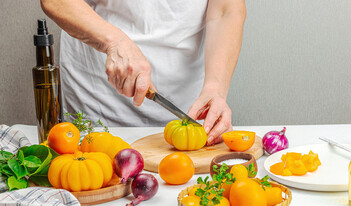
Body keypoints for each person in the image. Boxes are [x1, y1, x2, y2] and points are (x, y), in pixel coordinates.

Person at [40, 0, 246, 145]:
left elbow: (227, 9)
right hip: (98, 102)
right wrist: (114, 42)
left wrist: (215, 87)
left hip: (189, 107)